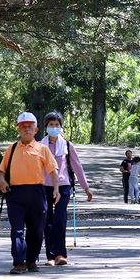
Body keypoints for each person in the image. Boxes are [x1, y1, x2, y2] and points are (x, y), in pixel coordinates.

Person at [0, 111, 59, 274]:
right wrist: (2, 181)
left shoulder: (42, 149)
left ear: (36, 129)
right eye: (23, 126)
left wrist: (56, 189)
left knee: (37, 230)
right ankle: (19, 262)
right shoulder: (11, 149)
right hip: (15, 194)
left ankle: (31, 260)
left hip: (37, 193)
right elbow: (2, 171)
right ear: (18, 129)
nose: (26, 129)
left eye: (30, 126)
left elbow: (53, 171)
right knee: (16, 229)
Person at [41, 111, 93, 267]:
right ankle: (50, 256)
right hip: (44, 186)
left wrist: (86, 188)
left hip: (63, 185)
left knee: (60, 218)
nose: (54, 128)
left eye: (57, 125)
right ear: (46, 127)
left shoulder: (67, 146)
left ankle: (61, 254)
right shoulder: (39, 146)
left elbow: (77, 167)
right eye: (51, 125)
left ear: (61, 127)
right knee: (47, 220)